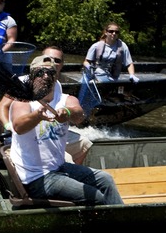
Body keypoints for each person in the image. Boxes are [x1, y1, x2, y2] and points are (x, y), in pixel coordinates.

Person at [8, 55, 123, 205]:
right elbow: (18, 126)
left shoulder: (65, 98)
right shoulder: (23, 101)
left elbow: (79, 115)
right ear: (31, 77)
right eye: (40, 73)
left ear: (56, 77)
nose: (45, 76)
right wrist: (37, 116)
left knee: (105, 180)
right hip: (36, 177)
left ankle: (120, 219)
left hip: (59, 167)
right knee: (96, 197)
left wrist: (67, 113)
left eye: (50, 73)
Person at [0, 45, 93, 164]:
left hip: (49, 130)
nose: (53, 62)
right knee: (65, 159)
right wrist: (8, 126)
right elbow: (1, 107)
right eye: (49, 58)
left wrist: (66, 112)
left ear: (62, 64)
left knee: (84, 143)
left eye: (57, 60)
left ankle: (71, 176)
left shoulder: (56, 85)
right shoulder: (22, 82)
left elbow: (76, 113)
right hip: (24, 132)